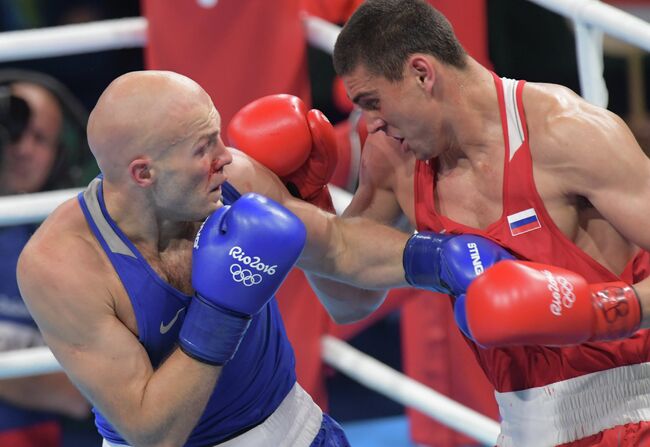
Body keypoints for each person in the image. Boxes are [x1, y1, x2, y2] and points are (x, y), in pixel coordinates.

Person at [15, 69, 435, 447]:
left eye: (217, 135)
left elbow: (340, 251)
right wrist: (220, 312)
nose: (226, 157)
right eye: (203, 147)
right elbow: (152, 432)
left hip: (296, 431)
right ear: (143, 173)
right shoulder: (62, 265)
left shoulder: (232, 182)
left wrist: (442, 258)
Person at [324, 0, 650, 445]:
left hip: (637, 412)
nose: (372, 124)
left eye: (373, 102)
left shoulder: (565, 133)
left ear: (423, 73)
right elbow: (348, 300)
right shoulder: (395, 158)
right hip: (526, 431)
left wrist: (603, 311)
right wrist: (309, 201)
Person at [0, 78, 91, 446]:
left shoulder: (76, 238)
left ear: (61, 152)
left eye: (40, 138)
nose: (22, 149)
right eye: (13, 131)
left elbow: (77, 395)